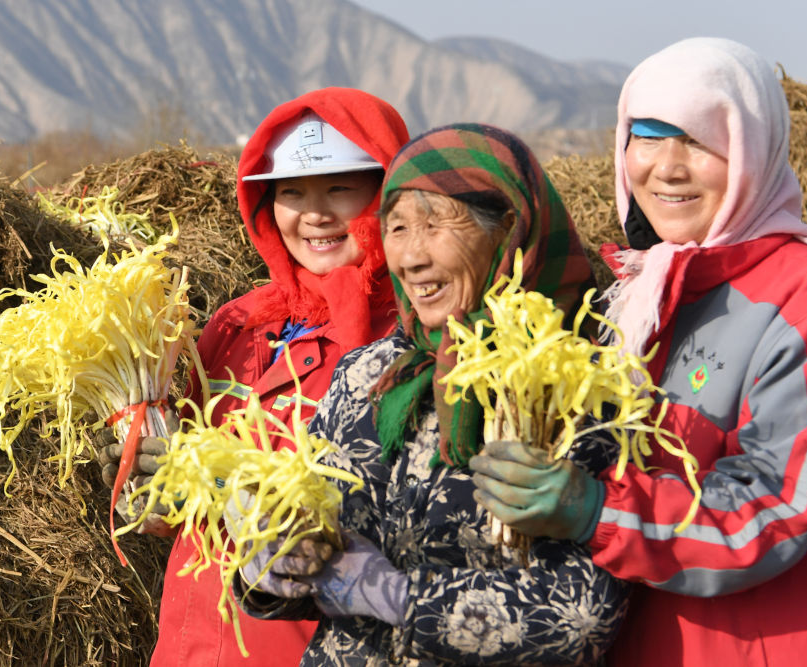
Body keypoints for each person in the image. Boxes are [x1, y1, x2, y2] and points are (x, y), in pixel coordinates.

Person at [468, 37, 807, 666]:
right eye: (646, 137)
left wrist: (596, 508)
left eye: (699, 142)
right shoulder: (633, 299)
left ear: (753, 152)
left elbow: (772, 514)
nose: (666, 167)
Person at [228, 123, 630, 665]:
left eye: (436, 226)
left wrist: (399, 598)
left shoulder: (579, 383)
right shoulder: (369, 376)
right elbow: (319, 551)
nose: (411, 258)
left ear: (510, 229)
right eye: (396, 228)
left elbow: (584, 613)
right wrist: (274, 566)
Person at [98, 87, 410, 666]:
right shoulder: (238, 323)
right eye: (292, 192)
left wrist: (225, 489)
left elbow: (392, 521)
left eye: (339, 188)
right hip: (192, 647)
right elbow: (176, 509)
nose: (314, 213)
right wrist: (148, 487)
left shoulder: (406, 345)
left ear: (388, 196)